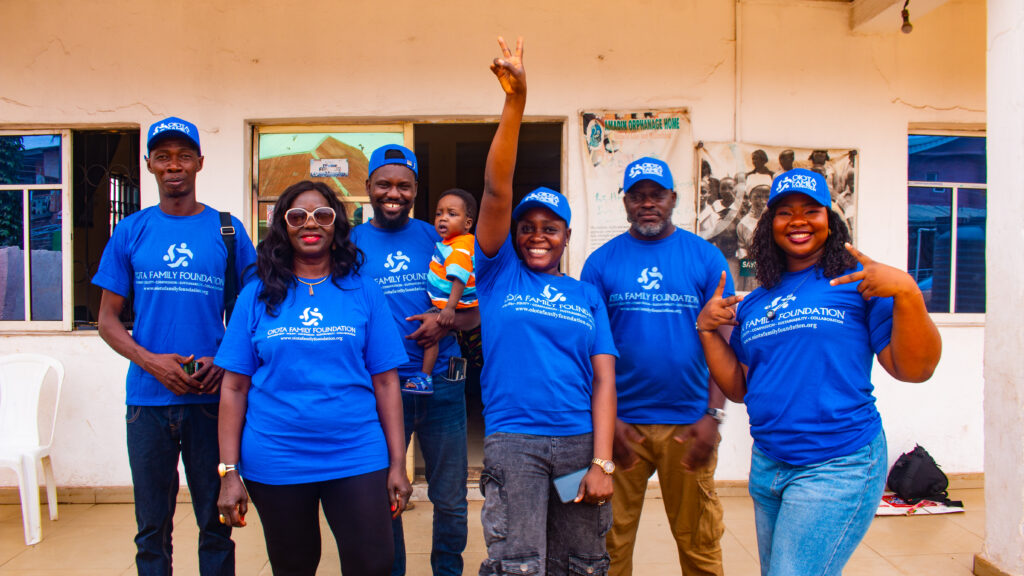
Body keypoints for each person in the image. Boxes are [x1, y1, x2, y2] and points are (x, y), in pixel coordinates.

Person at [695, 168, 942, 576]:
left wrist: (907, 291)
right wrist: (706, 331)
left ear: (831, 220)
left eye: (811, 210)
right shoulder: (755, 302)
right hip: (769, 463)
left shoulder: (857, 284)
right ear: (769, 224)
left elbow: (916, 369)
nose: (798, 221)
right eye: (785, 212)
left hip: (837, 462)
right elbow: (740, 387)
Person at [214, 180, 412, 576]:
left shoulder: (365, 292)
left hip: (356, 451)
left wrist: (397, 464)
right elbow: (234, 388)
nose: (310, 223)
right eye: (297, 216)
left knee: (374, 564)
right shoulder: (255, 295)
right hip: (276, 455)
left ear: (336, 225)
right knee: (295, 566)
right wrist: (229, 471)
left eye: (322, 215)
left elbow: (387, 382)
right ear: (282, 226)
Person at [476, 36, 617, 576]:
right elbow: (496, 189)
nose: (538, 235)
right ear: (515, 235)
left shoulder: (586, 294)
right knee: (518, 563)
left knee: (581, 562)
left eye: (550, 228)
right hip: (515, 446)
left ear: (566, 237)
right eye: (528, 227)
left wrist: (602, 461)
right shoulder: (498, 274)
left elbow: (603, 381)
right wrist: (516, 102)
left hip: (578, 446)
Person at [92, 116, 257, 576]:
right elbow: (107, 320)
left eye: (184, 156)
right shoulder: (132, 230)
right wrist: (152, 363)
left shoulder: (227, 230)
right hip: (147, 403)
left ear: (199, 163)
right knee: (151, 531)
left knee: (216, 525)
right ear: (149, 164)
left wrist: (223, 359)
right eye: (163, 156)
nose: (173, 165)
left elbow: (254, 310)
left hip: (211, 401)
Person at [581, 157, 731, 576]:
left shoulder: (706, 258)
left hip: (689, 425)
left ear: (673, 199)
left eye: (657, 195)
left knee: (699, 542)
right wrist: (605, 426)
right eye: (638, 196)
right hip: (621, 427)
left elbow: (723, 342)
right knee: (607, 545)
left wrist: (713, 415)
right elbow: (588, 348)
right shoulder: (601, 263)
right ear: (625, 202)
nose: (647, 203)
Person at [350, 145, 477, 576]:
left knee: (451, 497)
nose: (393, 194)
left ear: (416, 190)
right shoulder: (350, 245)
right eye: (384, 184)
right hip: (380, 390)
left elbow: (477, 310)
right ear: (368, 187)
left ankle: (448, 571)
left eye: (403, 186)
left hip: (442, 383)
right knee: (385, 493)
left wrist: (446, 323)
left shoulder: (439, 237)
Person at [404, 188, 479, 395]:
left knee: (431, 336)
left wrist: (449, 309)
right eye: (439, 213)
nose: (443, 218)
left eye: (452, 214)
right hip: (450, 303)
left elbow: (459, 277)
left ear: (467, 223)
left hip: (448, 304)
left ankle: (424, 377)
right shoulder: (455, 242)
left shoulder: (459, 248)